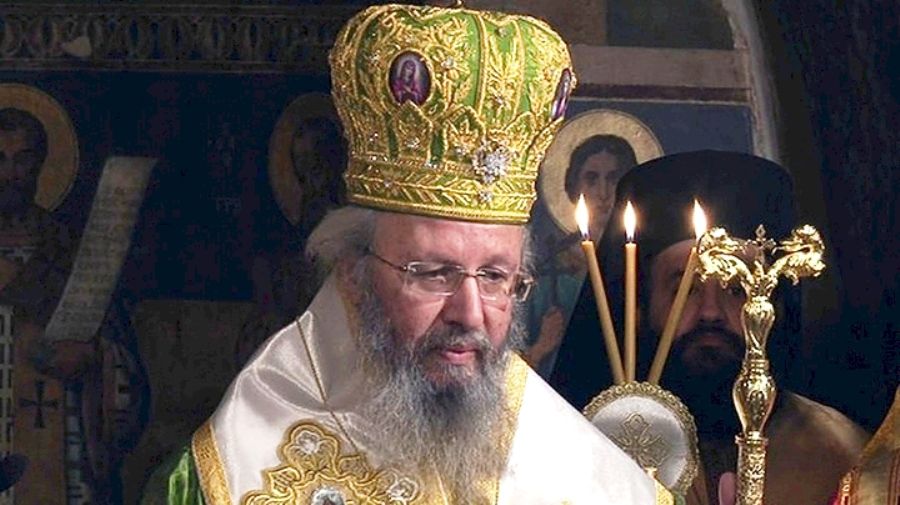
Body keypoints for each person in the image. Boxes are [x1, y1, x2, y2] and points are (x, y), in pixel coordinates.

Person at [143, 4, 674, 504]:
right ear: (353, 275)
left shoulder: (590, 477)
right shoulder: (226, 476)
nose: (470, 314)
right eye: (434, 273)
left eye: (496, 277)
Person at [551, 150, 869, 505]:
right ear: (639, 308)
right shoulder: (578, 452)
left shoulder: (844, 459)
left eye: (737, 289)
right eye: (686, 289)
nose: (710, 312)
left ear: (774, 308)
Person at [0, 106, 145, 502]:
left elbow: (120, 357)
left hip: (61, 455)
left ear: (40, 166)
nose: (10, 173)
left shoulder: (71, 253)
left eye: (22, 159)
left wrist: (94, 361)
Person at [524, 134, 637, 373]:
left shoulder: (644, 264)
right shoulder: (548, 271)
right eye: (591, 179)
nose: (603, 193)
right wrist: (542, 346)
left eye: (614, 179)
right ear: (574, 187)